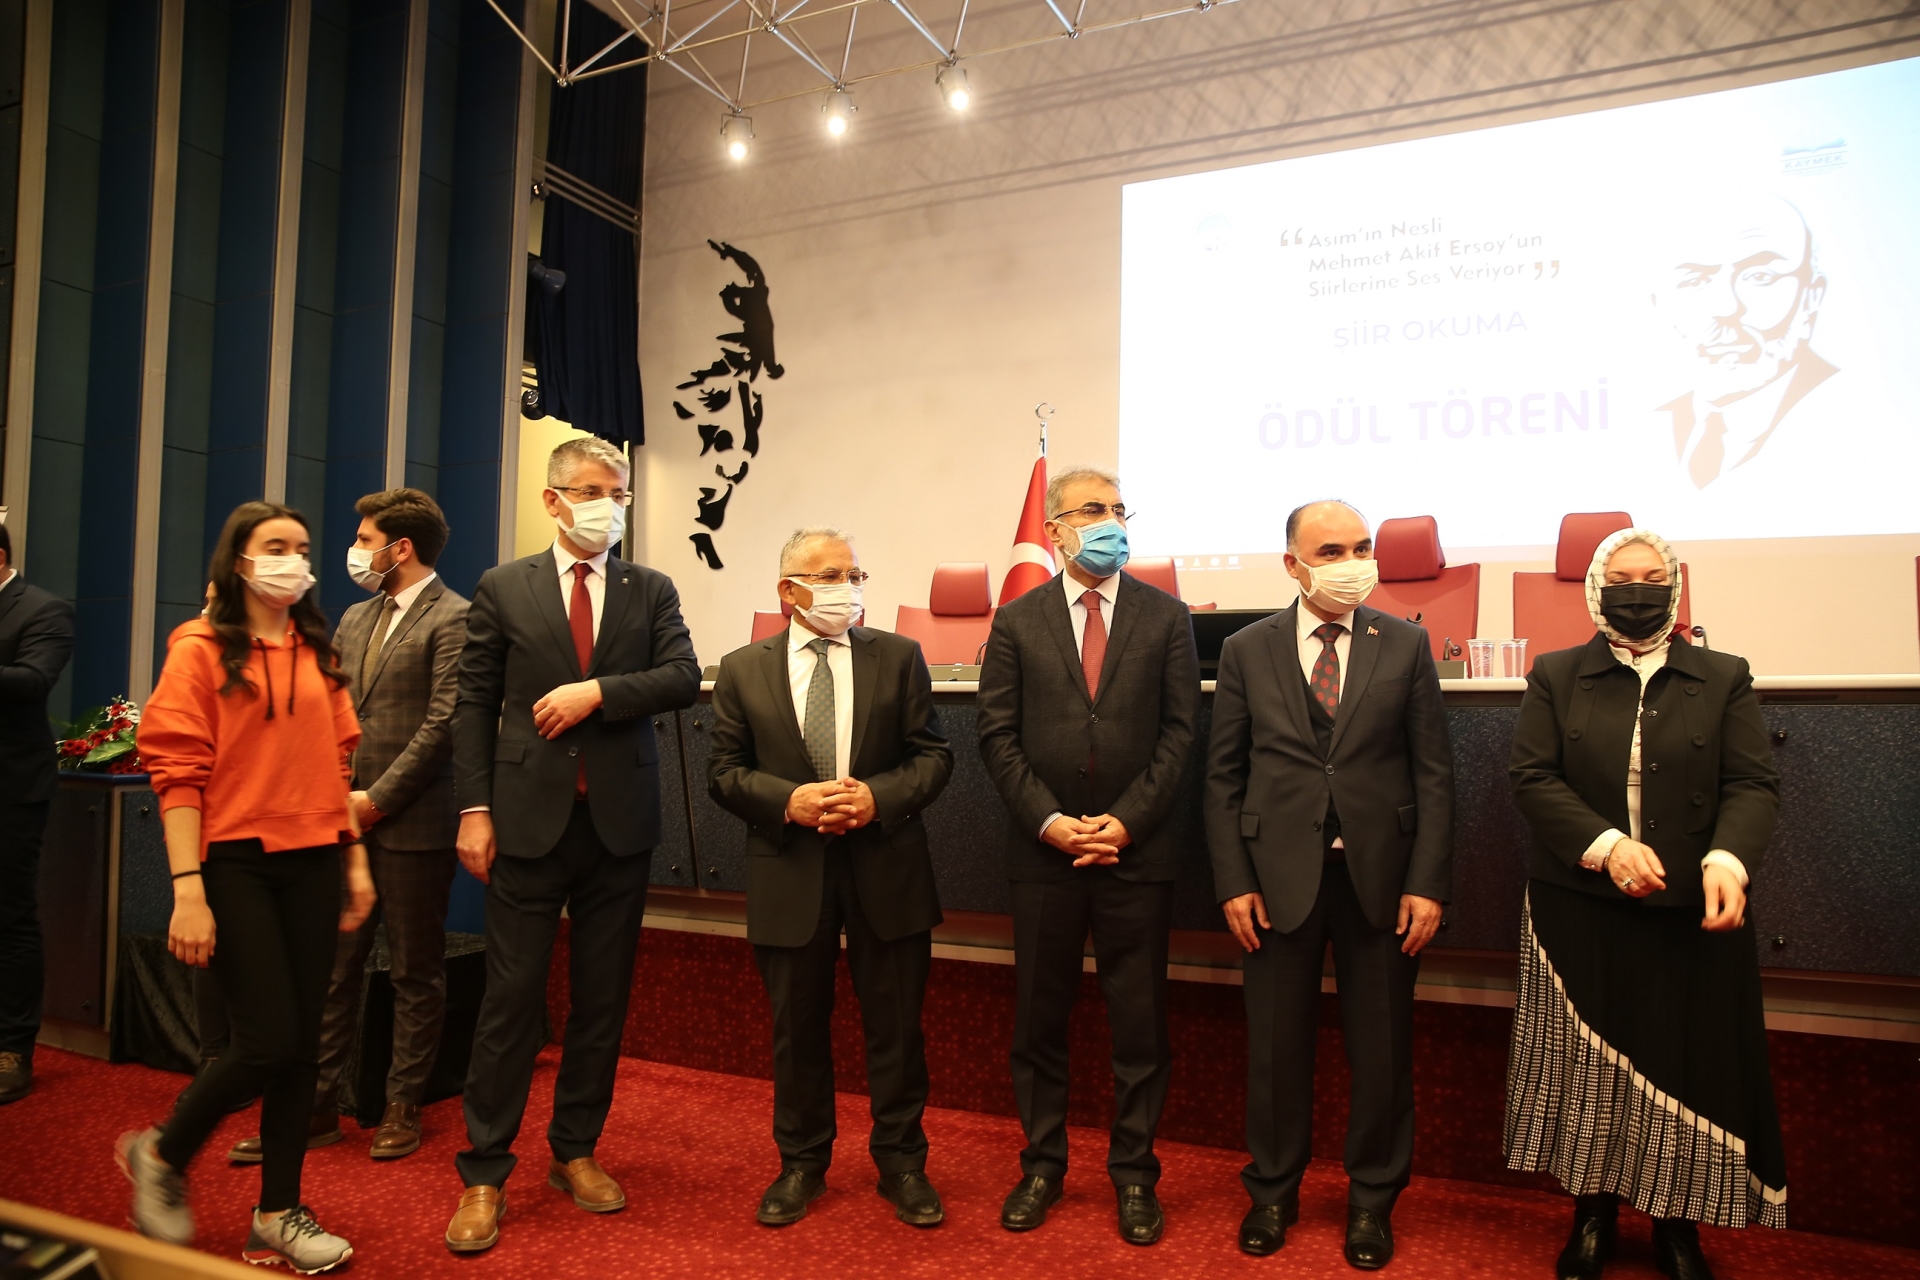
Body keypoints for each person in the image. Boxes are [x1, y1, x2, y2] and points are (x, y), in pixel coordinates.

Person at [1505, 528, 1783, 1280]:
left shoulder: (1723, 674)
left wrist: (1728, 857)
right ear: (1598, 589)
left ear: (1676, 585)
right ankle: (1591, 1215)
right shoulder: (1556, 673)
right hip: (1580, 900)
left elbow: (1752, 783)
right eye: (1622, 578)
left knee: (1684, 1063)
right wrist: (1606, 847)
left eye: (1653, 577)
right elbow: (1533, 777)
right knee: (1587, 1072)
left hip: (1688, 907)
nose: (1638, 591)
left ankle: (1676, 1225)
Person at [445, 436, 700, 1253]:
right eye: (591, 491)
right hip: (524, 821)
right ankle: (485, 1170)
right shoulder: (503, 586)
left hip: (618, 825)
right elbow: (473, 704)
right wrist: (474, 809)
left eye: (618, 493)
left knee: (601, 999)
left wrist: (597, 692)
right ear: (553, 500)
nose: (608, 506)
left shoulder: (649, 587)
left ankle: (575, 1150)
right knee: (511, 1001)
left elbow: (682, 677)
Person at [120, 502, 375, 1273]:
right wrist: (187, 888)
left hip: (315, 860)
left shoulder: (316, 652)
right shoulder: (199, 649)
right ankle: (163, 1152)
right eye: (275, 546)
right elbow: (177, 774)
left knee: (302, 1049)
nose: (292, 559)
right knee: (264, 1038)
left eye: (301, 546)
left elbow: (337, 767)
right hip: (234, 863)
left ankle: (277, 1212)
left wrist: (354, 862)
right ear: (240, 561)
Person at [1205, 499, 1453, 1268]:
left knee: (1381, 1055)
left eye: (1362, 547)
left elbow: (1434, 775)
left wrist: (1427, 882)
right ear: (1293, 564)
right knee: (1277, 1052)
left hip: (1382, 883)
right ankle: (1272, 1192)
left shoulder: (1406, 644)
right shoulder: (1245, 649)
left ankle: (1372, 1202)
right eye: (1332, 551)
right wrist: (1233, 881)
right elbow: (1223, 777)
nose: (1353, 564)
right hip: (1274, 881)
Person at [976, 464, 1200, 1247]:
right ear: (1055, 530)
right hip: (1045, 857)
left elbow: (1181, 734)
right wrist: (1049, 821)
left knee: (1139, 1026)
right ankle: (1042, 1165)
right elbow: (996, 736)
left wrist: (1126, 823)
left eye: (1118, 509)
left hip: (1137, 855)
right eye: (1092, 509)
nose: (1110, 521)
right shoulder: (1017, 620)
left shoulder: (1167, 617)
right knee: (1040, 1021)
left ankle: (1135, 1175)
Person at [708, 527, 954, 1228]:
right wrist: (787, 800)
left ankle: (902, 1164)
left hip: (887, 865)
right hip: (789, 869)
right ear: (788, 590)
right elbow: (723, 771)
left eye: (854, 574)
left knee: (897, 1029)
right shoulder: (742, 668)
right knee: (797, 1031)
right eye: (831, 575)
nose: (848, 587)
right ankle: (801, 1164)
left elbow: (933, 757)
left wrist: (878, 797)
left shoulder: (899, 656)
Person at [226, 488, 469, 1164]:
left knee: (415, 971)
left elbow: (443, 723)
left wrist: (377, 799)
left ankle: (401, 1106)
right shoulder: (356, 617)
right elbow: (330, 710)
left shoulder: (457, 616)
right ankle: (315, 1106)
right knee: (332, 972)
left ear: (401, 547)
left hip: (412, 822)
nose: (354, 551)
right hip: (338, 821)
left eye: (364, 540)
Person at [1653, 195, 1834, 489]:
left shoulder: (1853, 414)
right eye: (1695, 281)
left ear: (1811, 295)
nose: (1727, 307)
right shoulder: (1650, 424)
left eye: (1759, 276)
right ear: (1660, 305)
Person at [0, 521, 76, 1105]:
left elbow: (31, 682)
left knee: (10, 919)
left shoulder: (44, 610)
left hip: (11, 788)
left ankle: (12, 1048)